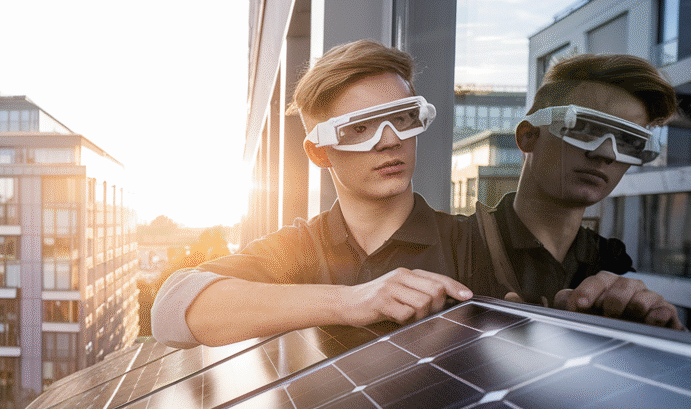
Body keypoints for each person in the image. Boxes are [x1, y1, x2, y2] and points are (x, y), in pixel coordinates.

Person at [151, 40, 474, 348]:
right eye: (360, 128)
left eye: (401, 118)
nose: (390, 140)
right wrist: (349, 301)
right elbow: (171, 310)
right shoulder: (297, 249)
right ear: (320, 153)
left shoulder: (479, 242)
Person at [463, 53, 684, 329]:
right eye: (585, 128)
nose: (605, 153)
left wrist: (664, 338)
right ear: (528, 136)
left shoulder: (611, 261)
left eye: (627, 141)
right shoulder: (454, 244)